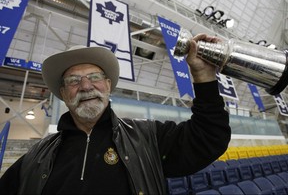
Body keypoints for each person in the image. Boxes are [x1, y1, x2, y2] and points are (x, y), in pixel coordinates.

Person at [0, 33, 231, 195]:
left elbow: (209, 137)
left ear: (108, 86)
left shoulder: (147, 138)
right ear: (63, 93)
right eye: (73, 80)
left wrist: (203, 77)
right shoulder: (35, 158)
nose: (85, 86)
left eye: (94, 77)